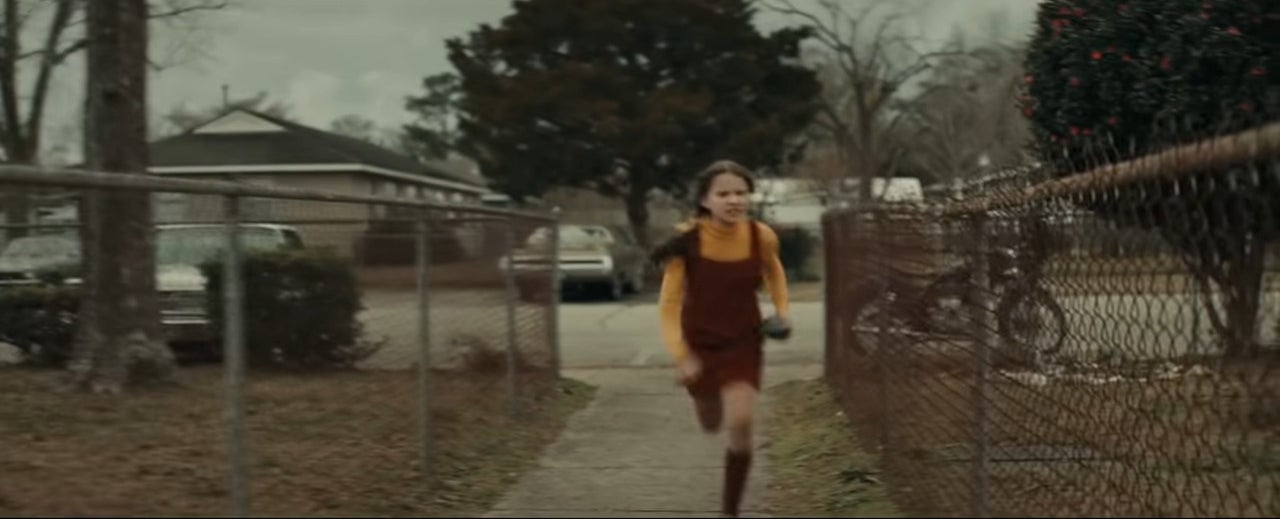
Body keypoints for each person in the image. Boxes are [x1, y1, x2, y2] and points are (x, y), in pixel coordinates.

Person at [650, 159, 790, 518]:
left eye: (741, 193)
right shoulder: (687, 242)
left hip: (743, 340)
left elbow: (774, 272)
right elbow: (668, 305)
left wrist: (782, 311)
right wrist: (682, 355)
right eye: (723, 193)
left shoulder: (762, 237)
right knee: (711, 421)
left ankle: (730, 511)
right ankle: (702, 396)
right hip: (699, 345)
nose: (733, 200)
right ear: (705, 200)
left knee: (741, 421)